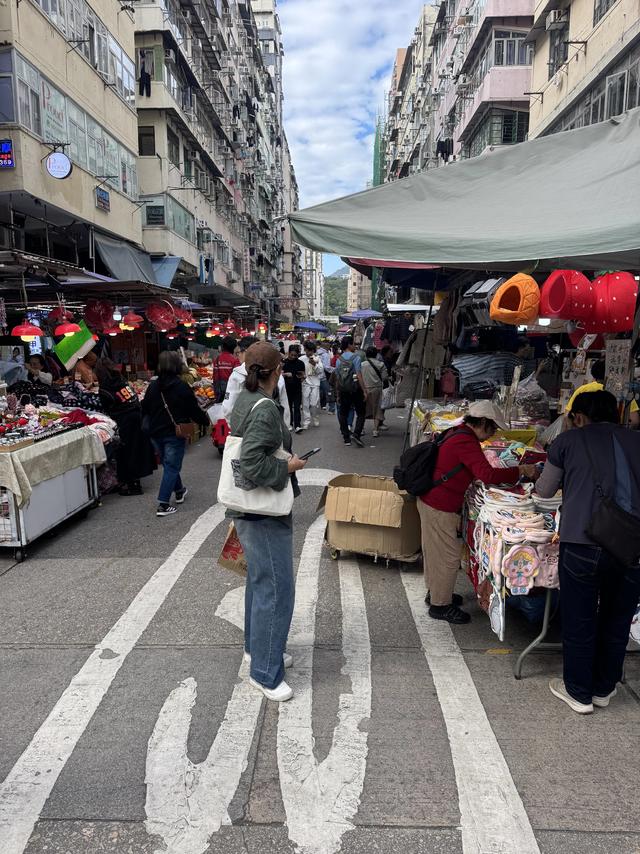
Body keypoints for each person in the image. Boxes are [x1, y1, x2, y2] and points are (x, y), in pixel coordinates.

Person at [536, 390, 640, 714]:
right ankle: (603, 689)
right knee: (617, 618)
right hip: (631, 544)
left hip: (581, 541)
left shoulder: (567, 441)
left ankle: (579, 693)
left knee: (579, 618)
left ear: (579, 417)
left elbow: (544, 490)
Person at [228, 342, 307, 702]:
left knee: (261, 584)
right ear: (277, 371)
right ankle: (264, 672)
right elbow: (252, 463)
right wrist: (288, 466)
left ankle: (258, 650)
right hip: (262, 511)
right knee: (276, 589)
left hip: (250, 509)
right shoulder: (264, 408)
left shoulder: (245, 399)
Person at [419, 401, 536, 624]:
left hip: (432, 499)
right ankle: (439, 606)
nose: (493, 433)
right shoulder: (466, 440)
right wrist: (520, 470)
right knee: (447, 557)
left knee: (435, 553)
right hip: (439, 504)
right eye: (493, 428)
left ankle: (436, 593)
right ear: (482, 422)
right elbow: (487, 475)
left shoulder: (457, 431)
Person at [141, 351, 210, 516]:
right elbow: (193, 409)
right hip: (175, 432)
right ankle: (163, 504)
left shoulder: (153, 386)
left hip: (155, 432)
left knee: (169, 464)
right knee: (171, 466)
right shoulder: (181, 386)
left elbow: (145, 408)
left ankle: (179, 491)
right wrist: (205, 421)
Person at [96, 358, 156, 496]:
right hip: (136, 415)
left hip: (124, 420)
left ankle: (133, 485)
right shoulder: (121, 380)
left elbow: (107, 407)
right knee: (135, 449)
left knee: (127, 452)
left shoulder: (105, 388)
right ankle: (132, 481)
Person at [223, 336, 291, 429]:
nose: (238, 356)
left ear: (247, 352)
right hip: (274, 429)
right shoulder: (275, 373)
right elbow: (284, 407)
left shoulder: (237, 375)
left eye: (239, 352)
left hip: (245, 431)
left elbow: (228, 408)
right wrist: (285, 430)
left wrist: (236, 429)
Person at [336, 336, 368, 447]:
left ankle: (346, 438)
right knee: (361, 413)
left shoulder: (339, 360)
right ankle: (356, 434)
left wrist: (338, 393)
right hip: (355, 389)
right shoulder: (356, 358)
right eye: (353, 344)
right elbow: (359, 375)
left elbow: (338, 378)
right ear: (349, 345)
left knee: (343, 413)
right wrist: (364, 390)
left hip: (344, 390)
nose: (355, 346)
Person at [361, 346, 388, 438]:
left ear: (366, 354)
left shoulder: (362, 364)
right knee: (377, 410)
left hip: (365, 389)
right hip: (377, 389)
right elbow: (384, 377)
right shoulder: (381, 364)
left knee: (363, 409)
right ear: (376, 354)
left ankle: (361, 429)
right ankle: (375, 430)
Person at [300, 341, 325, 430]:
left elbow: (321, 371)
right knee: (305, 404)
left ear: (313, 351)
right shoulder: (301, 359)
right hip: (305, 383)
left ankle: (315, 417)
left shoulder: (317, 358)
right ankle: (306, 421)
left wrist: (315, 364)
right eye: (307, 350)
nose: (309, 352)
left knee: (314, 403)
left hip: (315, 384)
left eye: (310, 350)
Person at [282, 344, 305, 432]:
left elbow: (302, 375)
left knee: (297, 407)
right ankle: (289, 423)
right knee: (288, 407)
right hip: (286, 388)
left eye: (295, 355)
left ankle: (297, 425)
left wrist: (301, 377)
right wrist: (285, 374)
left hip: (297, 388)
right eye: (291, 355)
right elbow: (279, 374)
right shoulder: (284, 363)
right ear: (288, 353)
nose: (293, 357)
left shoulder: (300, 363)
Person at [213, 336, 240, 401]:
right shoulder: (235, 360)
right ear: (234, 347)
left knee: (220, 404)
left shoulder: (217, 359)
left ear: (223, 347)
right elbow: (237, 377)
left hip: (219, 390)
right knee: (228, 403)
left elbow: (215, 376)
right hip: (230, 390)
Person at [316, 341, 331, 410]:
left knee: (318, 390)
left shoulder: (316, 352)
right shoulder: (326, 355)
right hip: (323, 375)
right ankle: (324, 405)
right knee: (327, 390)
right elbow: (326, 367)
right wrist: (334, 370)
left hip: (315, 375)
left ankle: (316, 404)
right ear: (326, 346)